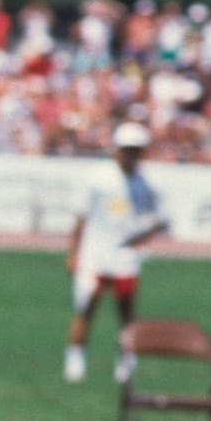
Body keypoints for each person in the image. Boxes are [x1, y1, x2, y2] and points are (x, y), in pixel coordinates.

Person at [64, 120, 166, 384]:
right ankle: (75, 357)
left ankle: (126, 360)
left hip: (125, 259)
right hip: (95, 256)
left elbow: (152, 221)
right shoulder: (99, 177)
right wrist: (74, 252)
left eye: (135, 149)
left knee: (126, 314)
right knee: (86, 309)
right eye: (126, 148)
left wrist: (140, 240)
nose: (130, 154)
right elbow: (81, 217)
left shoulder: (147, 184)